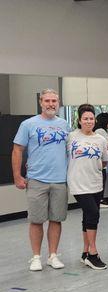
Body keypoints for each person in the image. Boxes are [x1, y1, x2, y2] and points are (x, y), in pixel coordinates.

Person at [12, 88, 69, 271]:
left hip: (60, 180)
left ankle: (53, 256)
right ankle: (36, 257)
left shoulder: (64, 124)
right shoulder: (28, 124)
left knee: (56, 219)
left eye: (54, 101)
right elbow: (17, 150)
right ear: (41, 102)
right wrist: (17, 176)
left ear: (58, 103)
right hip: (37, 179)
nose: (51, 104)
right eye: (47, 101)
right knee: (36, 220)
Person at [67, 104, 108, 270]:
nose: (88, 121)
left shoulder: (100, 139)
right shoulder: (71, 137)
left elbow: (104, 161)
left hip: (96, 183)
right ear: (79, 120)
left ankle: (85, 252)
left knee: (89, 216)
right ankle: (93, 253)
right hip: (78, 183)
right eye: (85, 118)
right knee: (93, 213)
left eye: (91, 118)